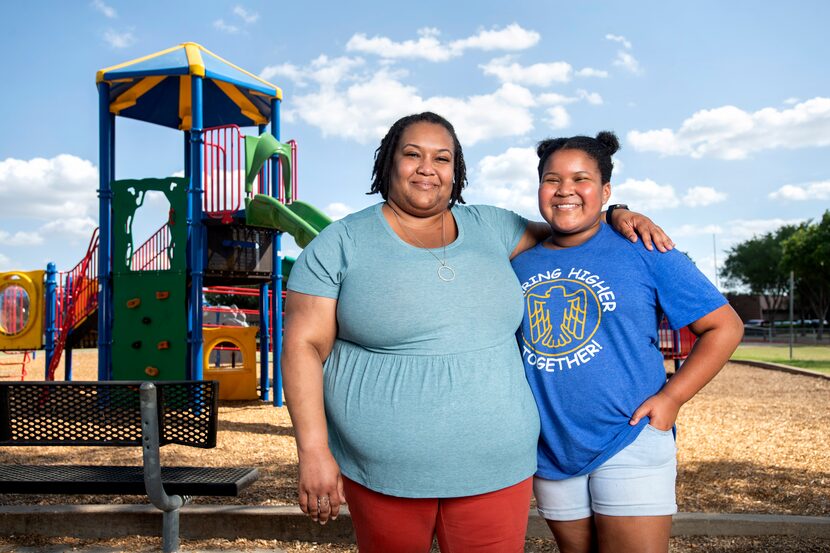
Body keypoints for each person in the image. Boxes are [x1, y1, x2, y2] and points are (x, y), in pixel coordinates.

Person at [281, 113, 672, 553]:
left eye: (442, 158)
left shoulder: (493, 227)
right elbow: (303, 346)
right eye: (413, 154)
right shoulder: (339, 243)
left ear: (457, 170)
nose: (427, 167)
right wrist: (313, 451)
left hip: (499, 469)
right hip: (383, 473)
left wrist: (618, 212)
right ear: (389, 162)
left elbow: (574, 225)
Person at [511, 131, 744, 553]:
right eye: (551, 179)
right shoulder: (519, 263)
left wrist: (672, 398)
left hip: (629, 436)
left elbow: (725, 327)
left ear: (605, 191)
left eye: (580, 178)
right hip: (551, 448)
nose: (565, 190)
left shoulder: (643, 247)